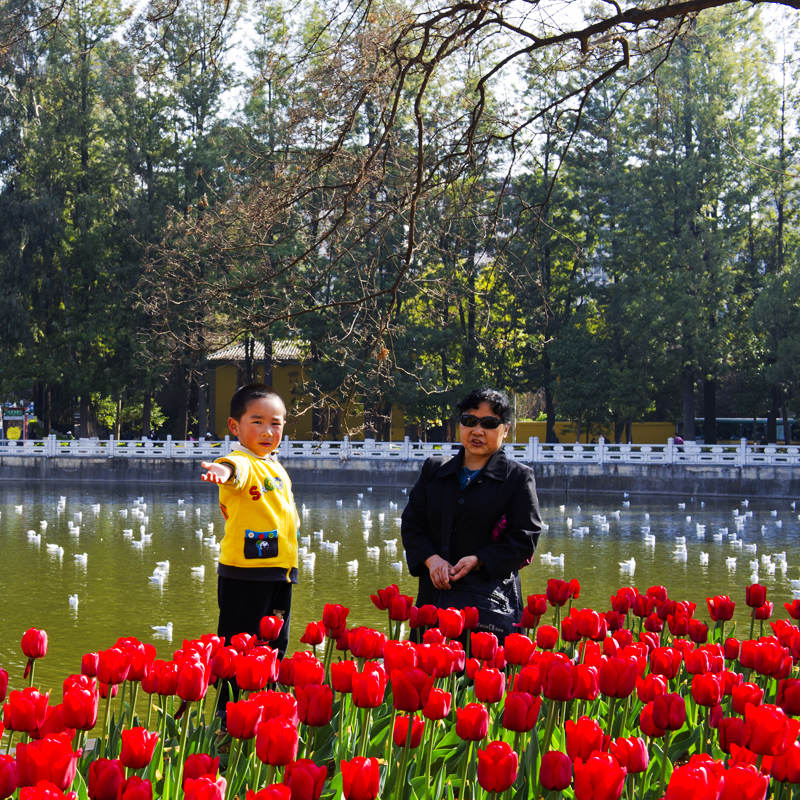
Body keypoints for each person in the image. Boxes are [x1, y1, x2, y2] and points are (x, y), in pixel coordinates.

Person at [401, 388, 542, 641]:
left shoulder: (516, 478)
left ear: (505, 430)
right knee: (427, 676)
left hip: (489, 608)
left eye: (489, 424)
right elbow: (412, 524)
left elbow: (524, 541)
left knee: (482, 676)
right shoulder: (435, 470)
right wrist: (431, 560)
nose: (477, 431)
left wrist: (479, 559)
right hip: (434, 601)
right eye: (469, 421)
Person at [200, 384, 300, 663]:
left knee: (274, 646)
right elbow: (234, 471)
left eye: (275, 424)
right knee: (238, 643)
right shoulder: (241, 460)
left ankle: (267, 700)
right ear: (234, 426)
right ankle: (228, 705)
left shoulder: (275, 466)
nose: (268, 431)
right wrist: (221, 472)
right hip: (246, 572)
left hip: (281, 571)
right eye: (257, 422)